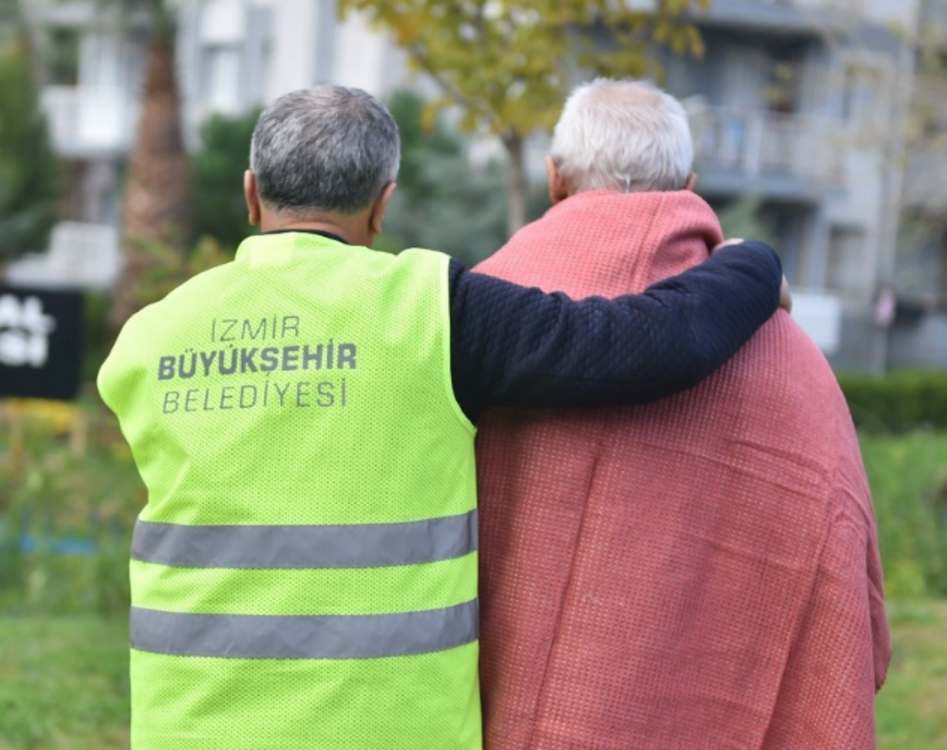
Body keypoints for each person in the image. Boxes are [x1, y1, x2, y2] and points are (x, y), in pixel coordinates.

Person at [98, 84, 787, 750]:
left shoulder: (150, 338)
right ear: (382, 204)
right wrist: (749, 265)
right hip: (388, 733)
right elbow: (643, 346)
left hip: (187, 732)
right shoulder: (430, 310)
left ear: (252, 193)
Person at [475, 79, 890, 750]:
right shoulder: (794, 363)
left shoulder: (472, 316)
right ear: (689, 184)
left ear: (553, 179)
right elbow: (842, 572)